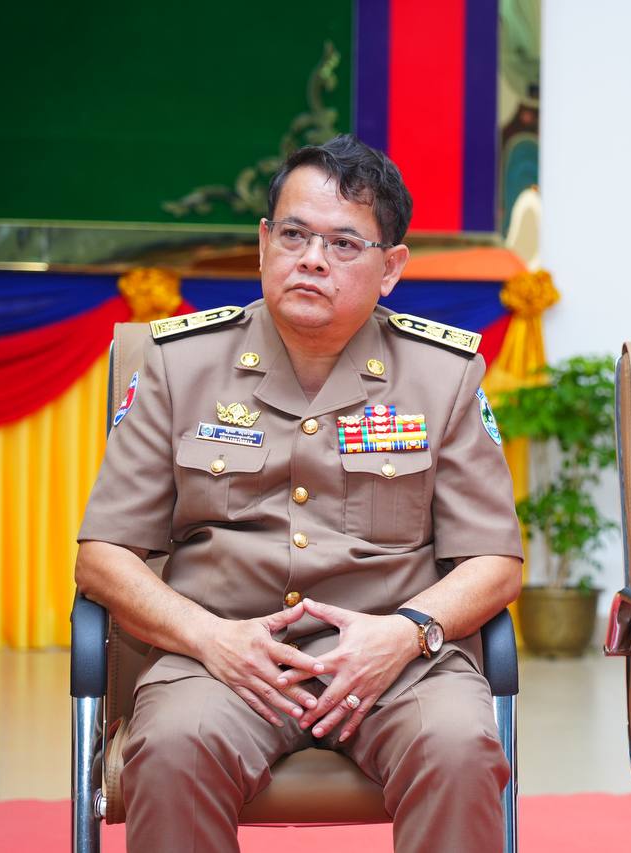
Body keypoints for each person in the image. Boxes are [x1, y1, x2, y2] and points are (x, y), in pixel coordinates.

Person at [75, 134, 524, 852]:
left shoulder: (444, 376)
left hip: (398, 661)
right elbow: (102, 556)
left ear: (391, 268)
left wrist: (406, 633)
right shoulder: (177, 365)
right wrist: (209, 637)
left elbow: (494, 562)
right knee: (174, 747)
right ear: (263, 245)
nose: (312, 258)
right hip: (221, 655)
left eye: (344, 243)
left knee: (459, 747)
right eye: (293, 235)